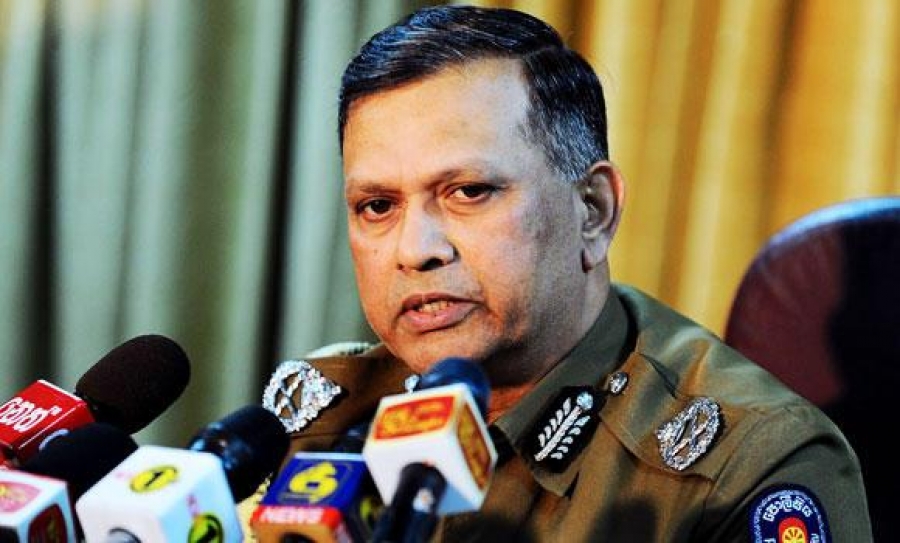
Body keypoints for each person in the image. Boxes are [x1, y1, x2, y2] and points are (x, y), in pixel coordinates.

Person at [248, 5, 872, 542]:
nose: (416, 251)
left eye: (469, 192)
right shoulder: (320, 427)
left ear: (592, 211)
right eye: (377, 206)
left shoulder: (744, 467)